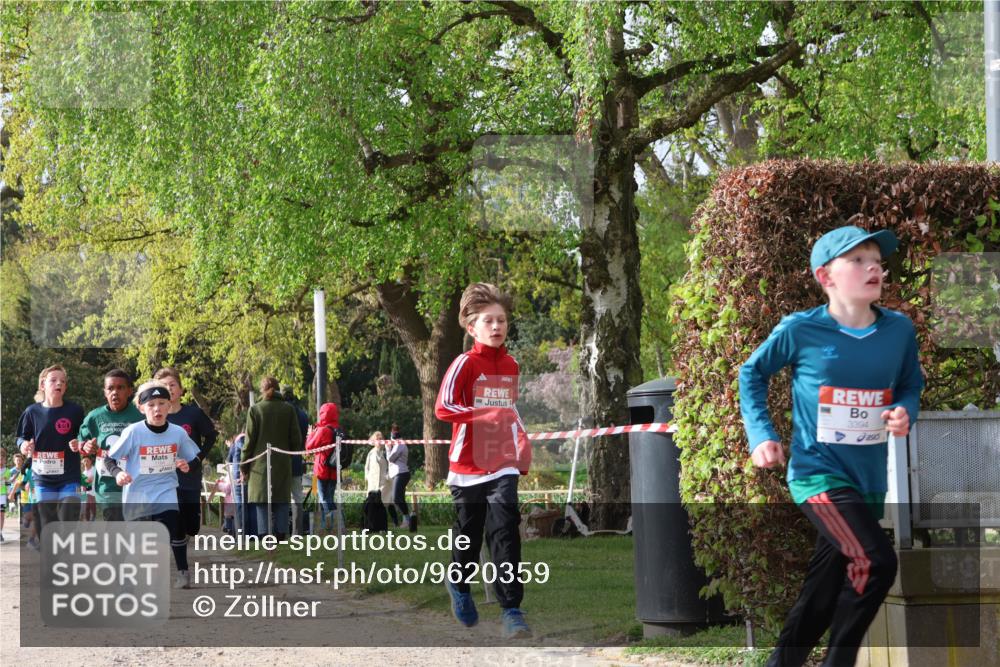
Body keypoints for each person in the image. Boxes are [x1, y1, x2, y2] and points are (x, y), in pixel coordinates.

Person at [739, 226, 924, 667]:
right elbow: (751, 374)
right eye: (857, 260)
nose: (873, 267)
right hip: (817, 475)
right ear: (826, 277)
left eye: (876, 259)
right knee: (876, 562)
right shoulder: (801, 330)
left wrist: (904, 411)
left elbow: (910, 384)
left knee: (822, 591)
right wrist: (761, 434)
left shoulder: (898, 331)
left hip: (868, 482)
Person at [435, 282, 533, 639]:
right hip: (466, 468)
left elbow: (508, 409)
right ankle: (458, 585)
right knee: (469, 538)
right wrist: (481, 414)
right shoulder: (463, 364)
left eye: (502, 321)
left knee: (505, 532)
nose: (496, 327)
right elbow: (443, 408)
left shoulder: (511, 363)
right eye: (488, 321)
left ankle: (512, 610)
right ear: (471, 326)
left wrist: (521, 440)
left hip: (501, 463)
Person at [107, 381, 200, 588]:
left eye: (161, 403)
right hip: (137, 496)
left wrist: (188, 465)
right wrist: (118, 473)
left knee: (166, 535)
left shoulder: (178, 433)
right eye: (151, 405)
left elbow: (195, 458)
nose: (157, 409)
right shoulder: (133, 432)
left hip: (165, 492)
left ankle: (182, 573)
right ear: (141, 408)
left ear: (169, 405)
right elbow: (109, 459)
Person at [153, 368, 218, 575]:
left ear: (181, 389)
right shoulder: (153, 417)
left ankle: (183, 533)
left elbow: (211, 436)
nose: (168, 389)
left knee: (192, 525)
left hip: (189, 476)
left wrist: (198, 458)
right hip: (163, 479)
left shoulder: (193, 414)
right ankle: (177, 550)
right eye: (163, 386)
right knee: (172, 519)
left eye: (172, 385)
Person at [16, 365, 86, 532]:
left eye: (62, 381)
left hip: (69, 475)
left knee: (69, 515)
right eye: (53, 380)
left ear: (65, 387)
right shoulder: (31, 412)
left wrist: (80, 443)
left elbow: (85, 435)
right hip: (42, 477)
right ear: (42, 385)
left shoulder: (75, 410)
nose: (58, 384)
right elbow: (20, 438)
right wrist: (24, 445)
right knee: (46, 521)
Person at [241, 376, 302, 539]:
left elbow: (249, 443)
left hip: (259, 466)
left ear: (262, 390)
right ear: (277, 389)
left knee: (262, 504)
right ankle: (281, 538)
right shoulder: (288, 409)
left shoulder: (255, 410)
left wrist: (243, 467)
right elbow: (296, 440)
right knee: (282, 502)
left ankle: (264, 538)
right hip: (282, 464)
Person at [77, 368, 143, 521]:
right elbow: (81, 443)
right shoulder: (95, 417)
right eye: (110, 388)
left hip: (136, 486)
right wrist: (85, 447)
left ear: (129, 391)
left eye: (120, 388)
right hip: (108, 488)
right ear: (105, 392)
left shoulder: (140, 415)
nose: (115, 392)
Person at [304, 402, 342, 535]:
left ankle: (331, 526)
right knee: (330, 498)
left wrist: (310, 434)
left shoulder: (323, 430)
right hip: (335, 470)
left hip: (321, 470)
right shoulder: (339, 429)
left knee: (323, 498)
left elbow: (309, 447)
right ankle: (338, 524)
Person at [281, 385, 310, 536]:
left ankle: (281, 530)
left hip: (282, 460)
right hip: (297, 459)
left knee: (281, 497)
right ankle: (296, 533)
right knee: (297, 498)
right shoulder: (303, 415)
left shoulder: (281, 413)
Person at [386, 423, 416, 532]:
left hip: (401, 473)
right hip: (397, 473)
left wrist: (387, 448)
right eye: (392, 432)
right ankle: (407, 520)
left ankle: (407, 519)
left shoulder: (399, 444)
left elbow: (390, 458)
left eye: (395, 432)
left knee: (396, 498)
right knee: (400, 498)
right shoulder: (396, 444)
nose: (393, 434)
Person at [362, 432, 391, 532]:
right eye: (377, 439)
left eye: (380, 439)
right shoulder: (370, 453)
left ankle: (382, 528)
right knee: (371, 505)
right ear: (374, 441)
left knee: (381, 506)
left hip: (383, 483)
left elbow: (390, 466)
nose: (379, 441)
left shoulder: (386, 452)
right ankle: (370, 527)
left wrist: (388, 477)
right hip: (372, 483)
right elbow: (367, 467)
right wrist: (367, 478)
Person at [80, 456, 96, 521]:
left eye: (87, 461)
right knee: (86, 508)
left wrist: (83, 482)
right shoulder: (83, 473)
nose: (86, 462)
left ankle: (93, 519)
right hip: (85, 492)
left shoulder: (94, 469)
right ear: (82, 462)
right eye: (84, 461)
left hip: (93, 492)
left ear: (91, 462)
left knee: (92, 507)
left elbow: (89, 481)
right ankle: (88, 522)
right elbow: (83, 485)